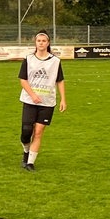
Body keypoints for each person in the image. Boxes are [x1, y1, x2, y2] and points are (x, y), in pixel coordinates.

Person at [18, 30, 66, 171]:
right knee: (26, 131)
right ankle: (26, 152)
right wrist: (33, 95)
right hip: (29, 100)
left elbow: (60, 81)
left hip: (47, 102)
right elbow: (23, 80)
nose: (41, 43)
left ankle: (30, 163)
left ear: (48, 43)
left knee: (38, 132)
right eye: (39, 41)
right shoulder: (29, 59)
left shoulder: (55, 61)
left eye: (44, 41)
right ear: (35, 43)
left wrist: (63, 99)